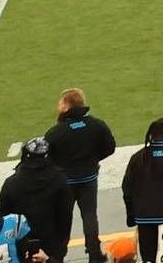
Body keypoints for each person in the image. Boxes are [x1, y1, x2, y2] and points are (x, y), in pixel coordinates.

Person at [41, 92, 112, 263]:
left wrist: (59, 169)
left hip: (65, 182)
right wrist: (93, 160)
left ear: (67, 105)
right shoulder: (97, 125)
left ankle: (58, 256)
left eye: (61, 102)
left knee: (63, 219)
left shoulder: (56, 132)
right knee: (89, 215)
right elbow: (109, 147)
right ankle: (94, 253)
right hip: (88, 178)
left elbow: (46, 157)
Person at [115, 125, 163, 263]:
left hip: (145, 219)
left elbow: (127, 188)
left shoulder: (137, 158)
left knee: (148, 259)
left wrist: (131, 215)